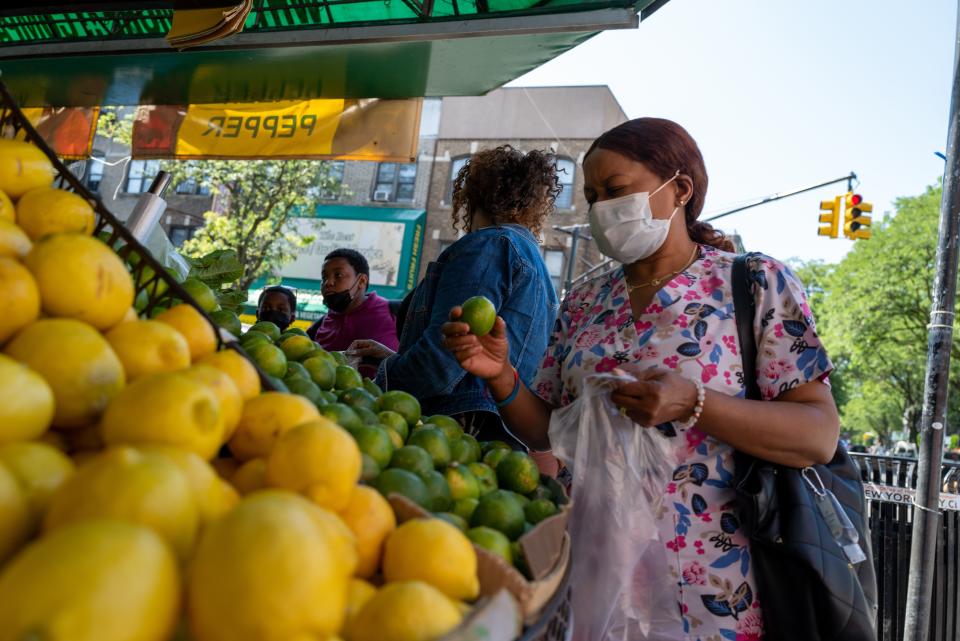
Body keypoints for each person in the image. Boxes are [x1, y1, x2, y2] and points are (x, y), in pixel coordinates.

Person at [440, 118, 840, 640]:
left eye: (616, 190)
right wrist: (501, 377)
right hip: (589, 577)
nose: (601, 208)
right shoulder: (584, 301)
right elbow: (547, 431)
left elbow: (817, 434)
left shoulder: (754, 283)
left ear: (679, 189)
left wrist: (694, 403)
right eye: (592, 195)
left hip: (709, 592)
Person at [351, 146, 560, 452]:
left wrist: (369, 385)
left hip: (452, 435)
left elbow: (444, 359)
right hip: (499, 445)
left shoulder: (490, 245)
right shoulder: (536, 266)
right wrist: (392, 358)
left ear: (474, 196)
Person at [310, 249, 399, 375]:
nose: (328, 283)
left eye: (338, 275)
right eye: (324, 277)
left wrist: (389, 357)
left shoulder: (395, 313)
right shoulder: (319, 326)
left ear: (362, 281)